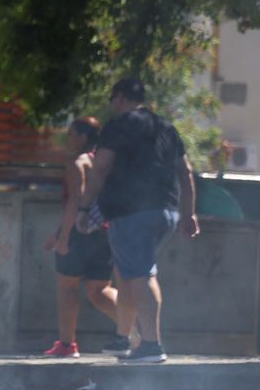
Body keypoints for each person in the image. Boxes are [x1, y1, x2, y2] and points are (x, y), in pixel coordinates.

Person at [77, 78, 198, 364]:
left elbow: (101, 167)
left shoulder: (119, 125)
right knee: (127, 271)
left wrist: (85, 208)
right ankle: (122, 338)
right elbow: (186, 172)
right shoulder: (165, 127)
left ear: (119, 98)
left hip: (132, 212)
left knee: (142, 275)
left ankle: (152, 345)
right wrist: (189, 212)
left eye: (112, 99)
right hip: (166, 211)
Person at [42, 117, 119, 357]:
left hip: (79, 231)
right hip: (105, 231)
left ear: (83, 137)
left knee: (66, 287)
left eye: (72, 134)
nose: (68, 138)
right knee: (99, 290)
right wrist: (57, 233)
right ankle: (134, 330)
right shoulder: (104, 162)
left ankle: (67, 345)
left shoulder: (77, 163)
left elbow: (76, 200)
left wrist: (64, 237)